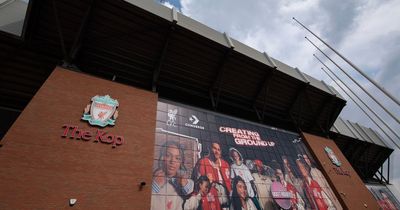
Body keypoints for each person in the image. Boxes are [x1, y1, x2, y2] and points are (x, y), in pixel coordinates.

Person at [151, 141, 194, 210]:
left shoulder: (190, 183)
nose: (172, 161)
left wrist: (186, 186)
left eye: (177, 158)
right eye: (168, 156)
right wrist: (154, 186)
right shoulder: (150, 182)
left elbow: (194, 204)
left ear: (180, 162)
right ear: (162, 158)